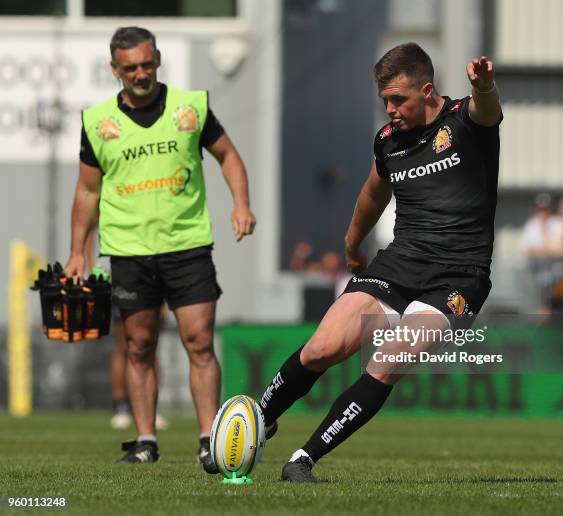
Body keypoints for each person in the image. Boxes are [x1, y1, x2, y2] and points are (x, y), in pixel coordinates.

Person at [257, 43, 502, 482]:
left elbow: (487, 109)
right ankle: (257, 423)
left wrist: (485, 87)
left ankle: (303, 459)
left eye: (398, 100)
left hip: (458, 277)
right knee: (321, 348)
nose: (389, 110)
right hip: (398, 265)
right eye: (384, 101)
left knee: (386, 363)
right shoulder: (389, 142)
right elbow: (374, 192)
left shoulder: (466, 121)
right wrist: (353, 244)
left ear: (427, 91)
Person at [64, 27, 256, 469]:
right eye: (130, 67)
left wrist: (241, 204)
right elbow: (87, 191)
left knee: (199, 342)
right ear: (115, 70)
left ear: (158, 60)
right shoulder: (97, 122)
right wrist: (78, 250)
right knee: (138, 346)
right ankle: (145, 439)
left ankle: (209, 438)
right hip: (128, 249)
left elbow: (229, 156)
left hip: (186, 244)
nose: (140, 73)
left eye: (147, 64)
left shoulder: (190, 107)